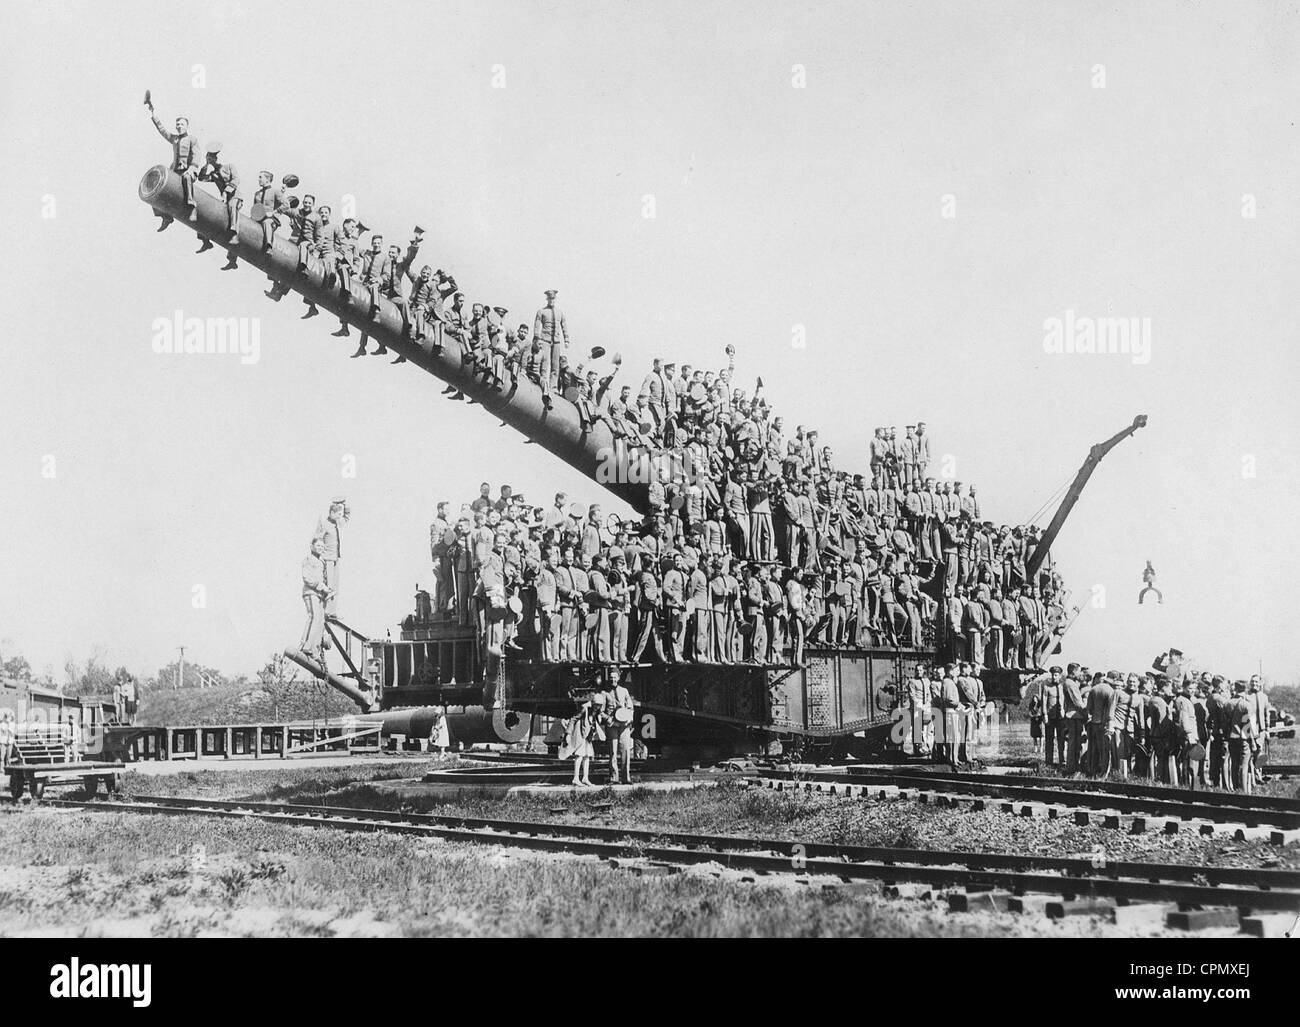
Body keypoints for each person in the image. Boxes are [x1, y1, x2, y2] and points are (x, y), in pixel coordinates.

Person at [146, 95, 201, 226]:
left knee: (187, 178)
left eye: (182, 124)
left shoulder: (192, 139)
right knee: (158, 186)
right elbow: (162, 130)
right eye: (177, 124)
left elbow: (196, 156)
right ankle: (165, 217)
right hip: (175, 171)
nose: (179, 126)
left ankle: (192, 207)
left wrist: (191, 169)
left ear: (187, 126)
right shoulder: (174, 139)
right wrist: (153, 114)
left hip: (188, 171)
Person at [299, 537, 333, 664]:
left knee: (320, 621)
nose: (320, 548)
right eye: (318, 546)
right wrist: (322, 587)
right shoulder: (308, 560)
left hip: (319, 595)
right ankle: (305, 645)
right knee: (313, 617)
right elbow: (307, 578)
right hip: (311, 592)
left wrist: (326, 590)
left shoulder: (321, 562)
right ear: (312, 546)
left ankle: (314, 651)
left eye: (322, 547)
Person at [314, 497, 348, 617]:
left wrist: (343, 503)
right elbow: (317, 539)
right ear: (332, 513)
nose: (340, 516)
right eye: (338, 514)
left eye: (341, 514)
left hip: (335, 559)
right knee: (328, 586)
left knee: (335, 586)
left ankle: (331, 611)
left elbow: (346, 518)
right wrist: (319, 557)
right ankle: (325, 611)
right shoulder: (325, 525)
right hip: (327, 559)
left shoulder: (336, 524)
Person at [533, 289, 570, 388]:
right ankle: (543, 381)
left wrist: (566, 340)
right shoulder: (542, 311)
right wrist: (537, 338)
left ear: (555, 299)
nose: (551, 300)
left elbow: (564, 326)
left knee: (555, 364)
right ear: (547, 299)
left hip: (557, 341)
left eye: (553, 298)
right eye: (550, 298)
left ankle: (553, 386)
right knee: (545, 361)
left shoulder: (560, 312)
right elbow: (536, 326)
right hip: (545, 339)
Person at [605, 680, 635, 784]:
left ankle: (626, 778)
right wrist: (607, 719)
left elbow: (630, 707)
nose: (613, 679)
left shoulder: (624, 691)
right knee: (613, 752)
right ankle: (614, 778)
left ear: (618, 678)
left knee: (625, 750)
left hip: (624, 725)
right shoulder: (605, 693)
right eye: (611, 677)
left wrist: (629, 718)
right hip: (612, 725)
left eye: (615, 677)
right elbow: (600, 710)